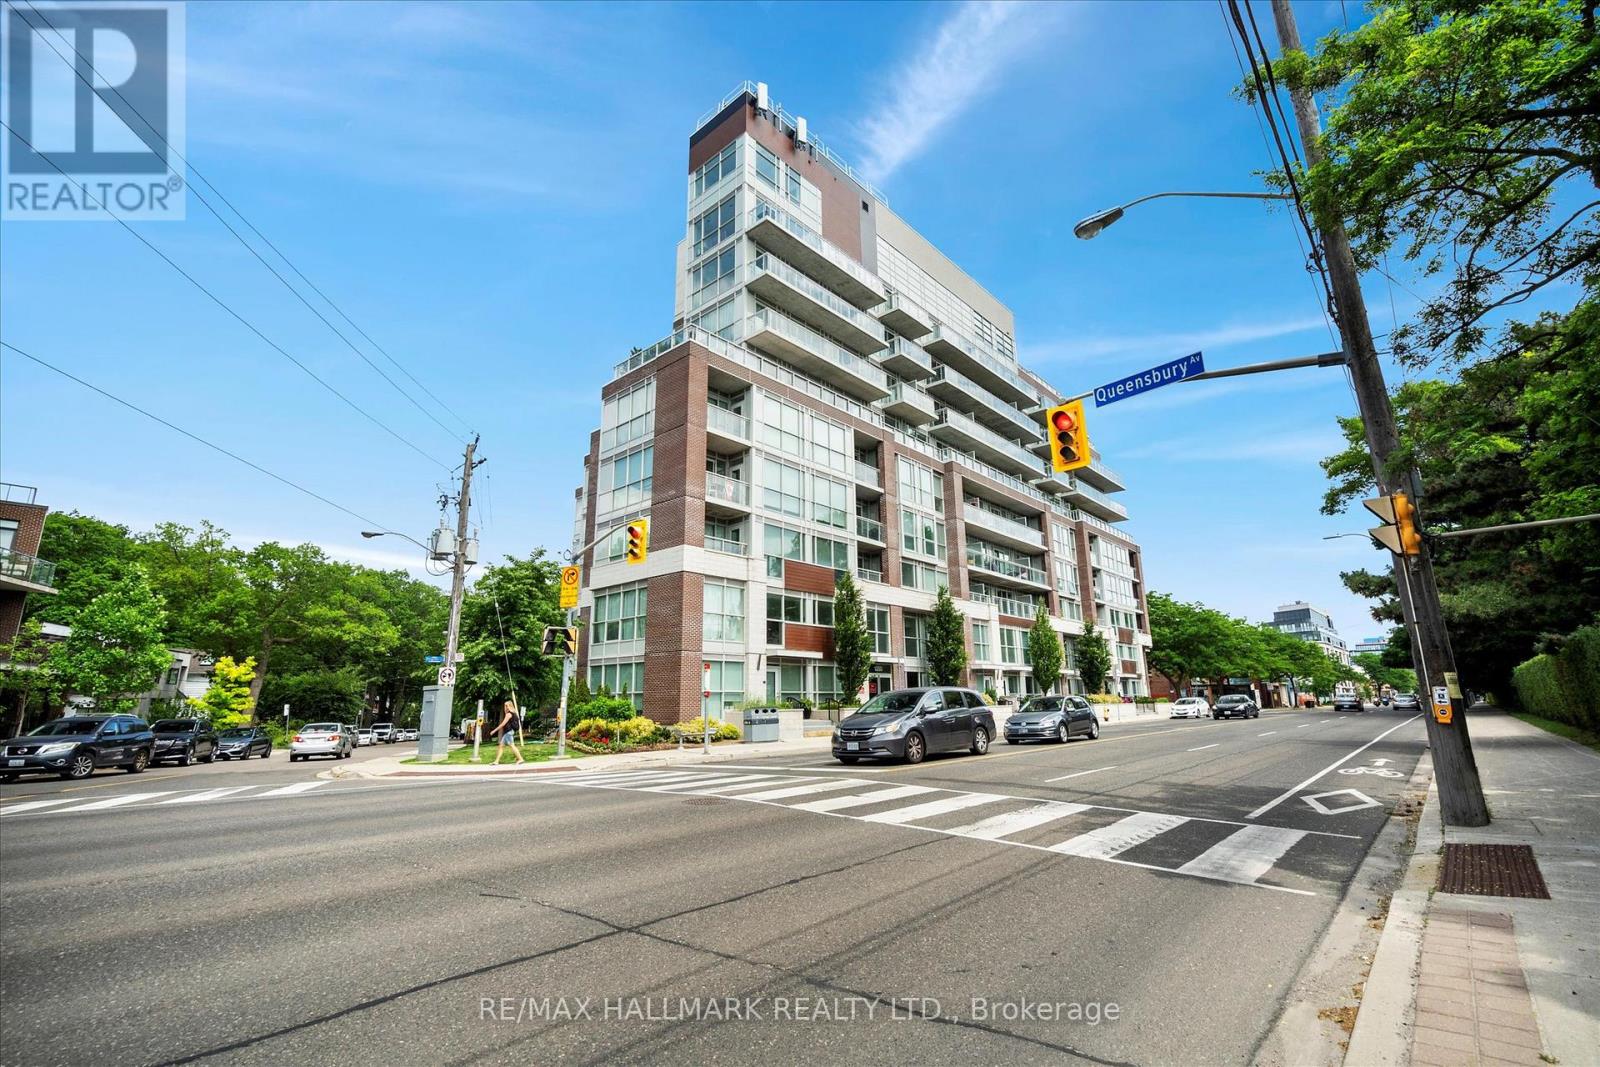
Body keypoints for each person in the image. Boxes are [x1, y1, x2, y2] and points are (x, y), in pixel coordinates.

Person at [491, 699, 525, 766]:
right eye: (505, 706)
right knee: (501, 746)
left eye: (506, 706)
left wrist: (494, 730)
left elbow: (503, 724)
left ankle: (520, 759)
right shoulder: (513, 713)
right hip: (508, 732)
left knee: (512, 746)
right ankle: (496, 761)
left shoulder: (509, 714)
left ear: (510, 706)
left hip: (508, 732)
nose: (505, 707)